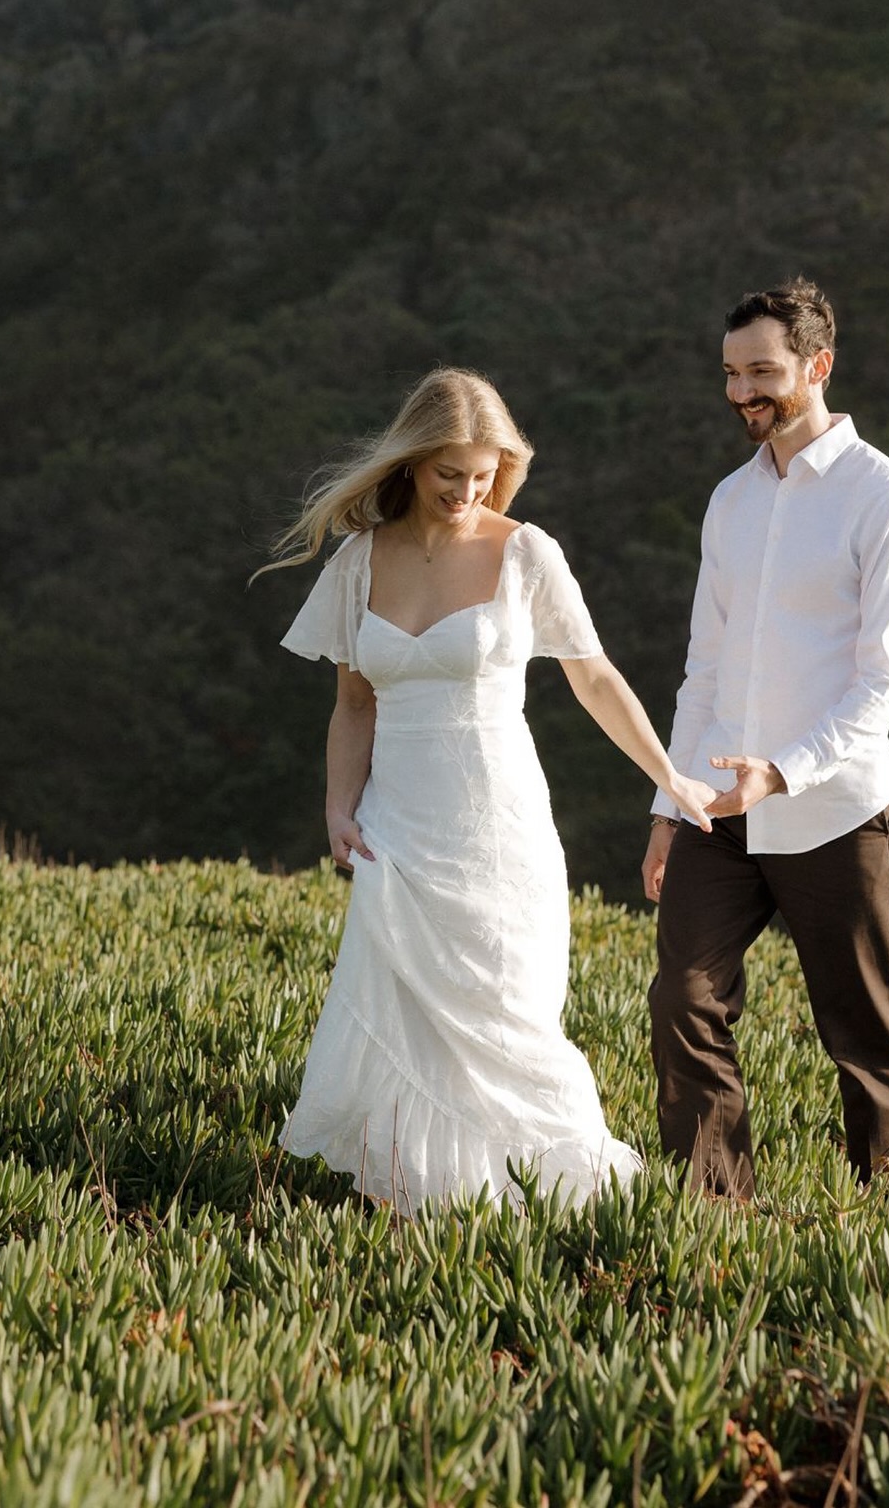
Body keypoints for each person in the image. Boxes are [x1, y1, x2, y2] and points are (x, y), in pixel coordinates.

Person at [265, 367, 717, 1212]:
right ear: (411, 462)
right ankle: (426, 1200)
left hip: (498, 823)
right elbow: (353, 705)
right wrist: (337, 808)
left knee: (506, 1008)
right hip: (397, 823)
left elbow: (595, 678)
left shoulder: (526, 552)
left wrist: (667, 774)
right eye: (450, 475)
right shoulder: (361, 561)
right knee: (411, 1015)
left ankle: (559, 1196)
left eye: (483, 476)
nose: (467, 492)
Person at [645, 279, 889, 1198]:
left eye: (762, 372)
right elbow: (705, 669)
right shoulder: (729, 502)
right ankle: (718, 1216)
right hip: (717, 809)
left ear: (818, 365)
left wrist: (783, 772)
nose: (742, 393)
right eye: (731, 374)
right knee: (682, 1001)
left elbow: (884, 683)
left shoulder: (887, 500)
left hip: (837, 810)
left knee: (864, 1034)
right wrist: (668, 801)